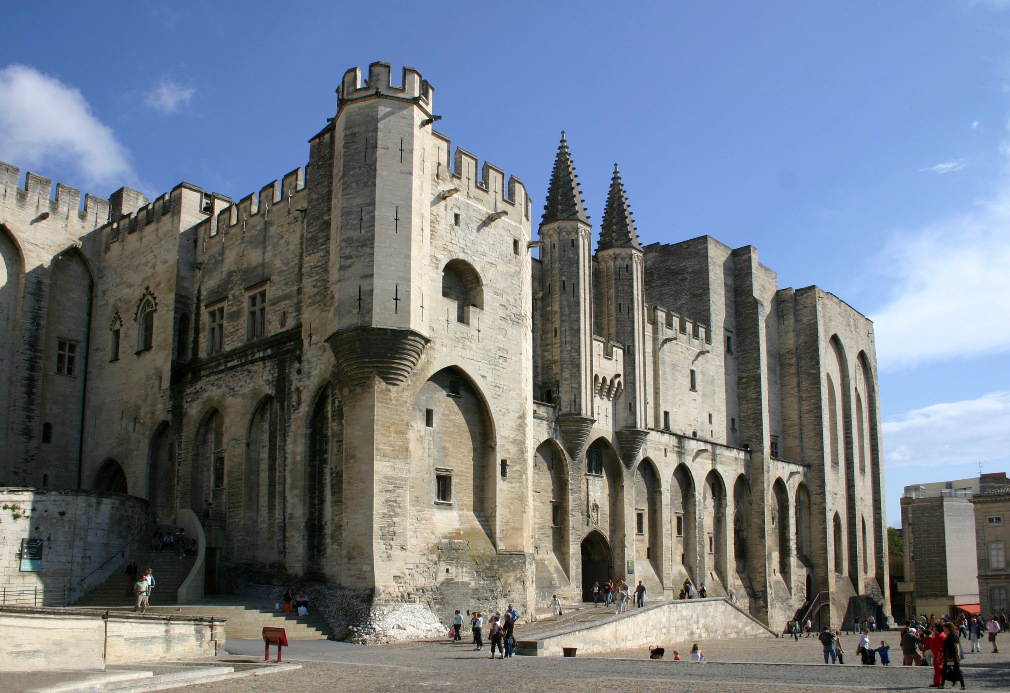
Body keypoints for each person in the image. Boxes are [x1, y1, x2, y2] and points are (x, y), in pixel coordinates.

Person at [941, 622, 965, 690]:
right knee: (946, 670)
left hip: (952, 657)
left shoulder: (953, 635)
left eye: (944, 628)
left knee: (955, 670)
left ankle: (962, 685)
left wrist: (958, 655)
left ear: (947, 628)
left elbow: (956, 645)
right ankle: (942, 685)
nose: (943, 629)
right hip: (949, 657)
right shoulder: (949, 635)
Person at [923, 622, 946, 688]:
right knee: (938, 669)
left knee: (938, 669)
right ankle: (938, 682)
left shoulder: (939, 636)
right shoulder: (941, 635)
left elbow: (940, 648)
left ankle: (938, 682)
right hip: (937, 654)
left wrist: (938, 656)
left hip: (937, 655)